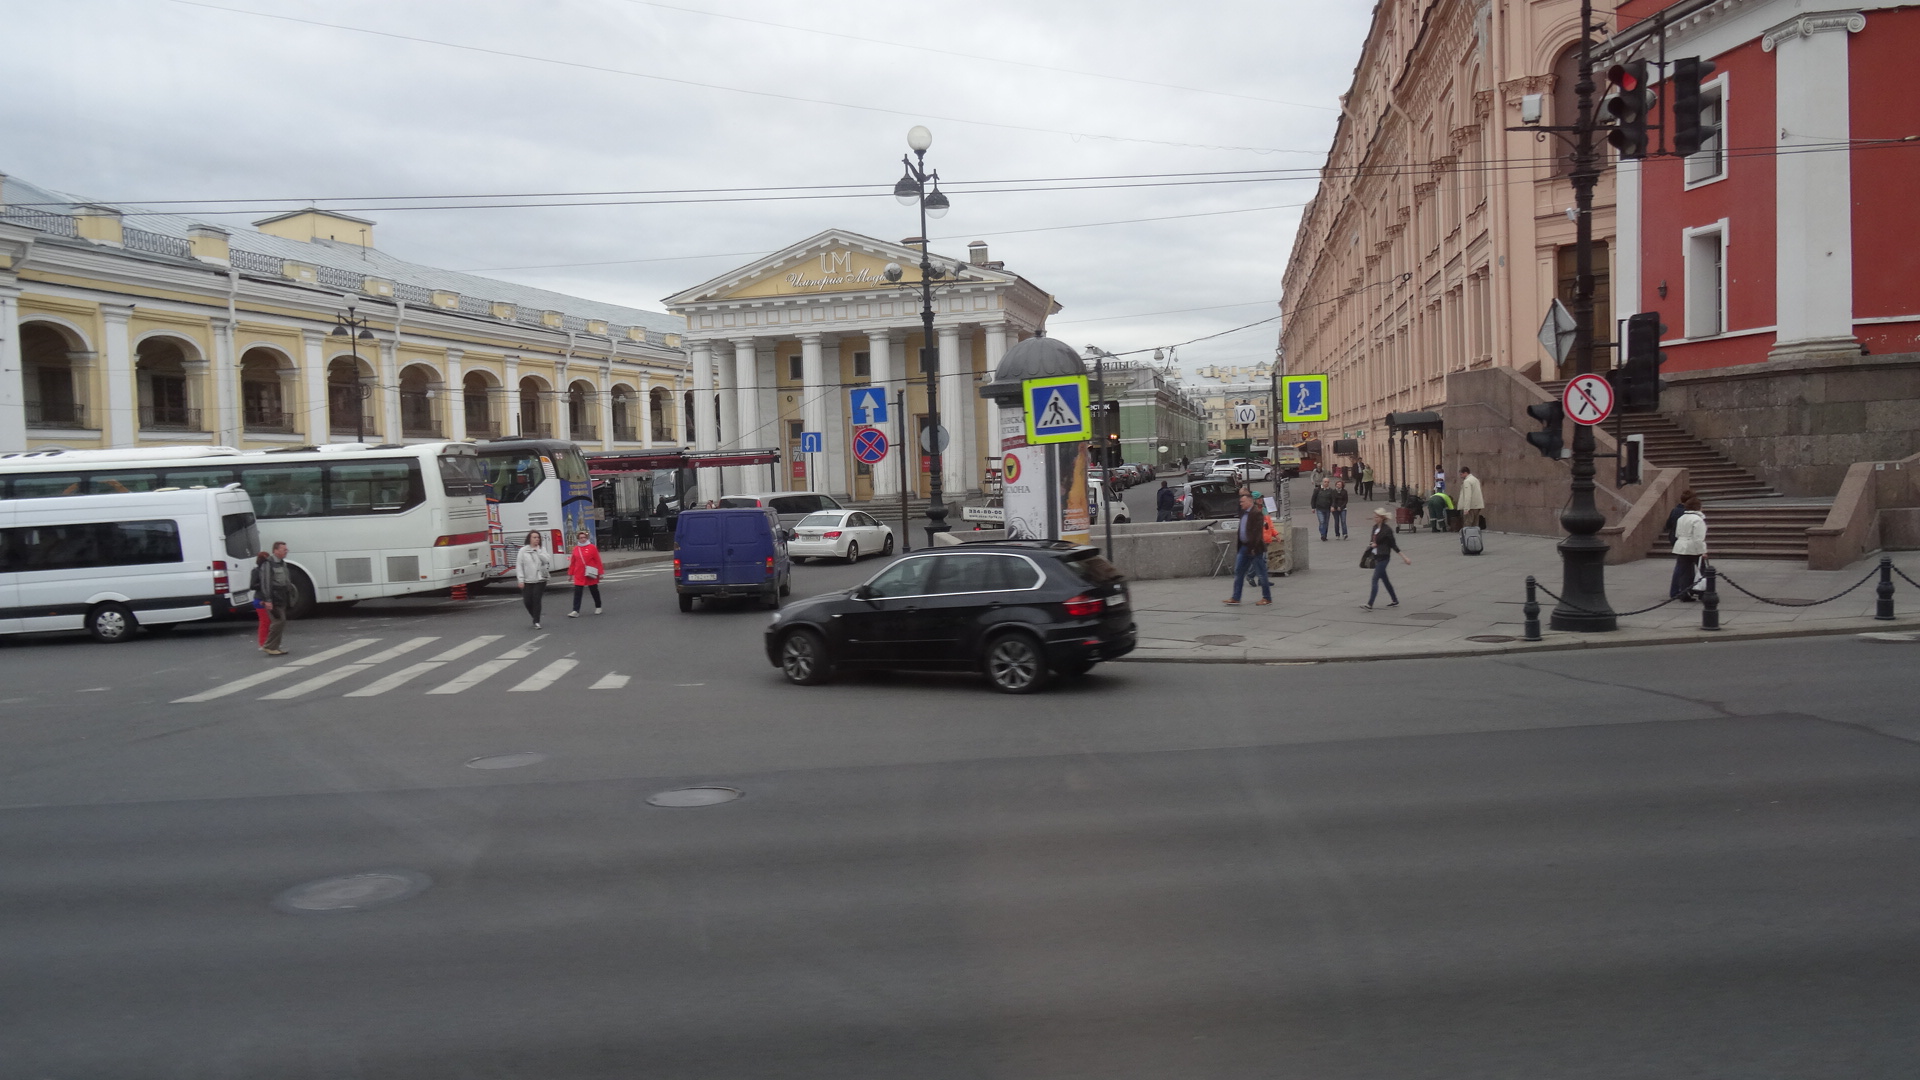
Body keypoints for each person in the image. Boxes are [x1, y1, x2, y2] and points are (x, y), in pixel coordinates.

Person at [1223, 492, 1272, 606]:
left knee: (1261, 573)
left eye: (1243, 502)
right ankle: (1236, 597)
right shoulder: (1243, 513)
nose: (1241, 504)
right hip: (1244, 547)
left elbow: (1257, 533)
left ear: (1250, 502)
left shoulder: (1256, 513)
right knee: (1239, 571)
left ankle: (1267, 598)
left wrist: (1253, 547)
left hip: (1254, 548)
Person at [250, 541, 294, 656]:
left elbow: (286, 580)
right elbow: (266, 583)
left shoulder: (282, 563)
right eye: (284, 549)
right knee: (278, 621)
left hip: (282, 597)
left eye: (286, 549)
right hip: (274, 598)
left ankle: (274, 646)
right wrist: (268, 600)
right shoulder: (268, 564)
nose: (286, 551)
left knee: (280, 621)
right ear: (276, 550)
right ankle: (269, 646)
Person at [1364, 507, 1411, 610]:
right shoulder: (1374, 528)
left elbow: (1393, 545)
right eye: (1374, 517)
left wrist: (1404, 557)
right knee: (1385, 580)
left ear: (1382, 518)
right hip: (1376, 556)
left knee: (1375, 579)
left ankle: (1370, 604)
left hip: (1384, 557)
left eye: (1377, 517)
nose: (1375, 518)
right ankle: (1395, 599)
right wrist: (1372, 544)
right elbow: (1372, 540)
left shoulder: (1387, 530)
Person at [1670, 495, 1708, 602]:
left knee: (1685, 572)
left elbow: (1677, 534)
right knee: (1703, 571)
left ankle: (1684, 594)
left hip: (1681, 547)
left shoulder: (1681, 518)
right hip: (1693, 548)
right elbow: (1698, 538)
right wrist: (1703, 551)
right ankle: (1702, 593)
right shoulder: (1698, 520)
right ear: (1698, 507)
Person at [516, 530, 552, 629]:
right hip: (528, 580)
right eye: (534, 537)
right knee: (527, 601)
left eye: (538, 537)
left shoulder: (542, 549)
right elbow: (519, 566)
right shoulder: (523, 550)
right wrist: (520, 580)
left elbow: (547, 560)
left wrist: (538, 552)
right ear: (529, 539)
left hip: (540, 579)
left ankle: (536, 621)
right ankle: (534, 616)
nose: (537, 539)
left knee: (536, 599)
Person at [567, 528, 605, 617]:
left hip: (590, 573)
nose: (583, 539)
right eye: (581, 538)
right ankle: (575, 610)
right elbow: (573, 562)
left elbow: (598, 560)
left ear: (587, 538)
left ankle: (598, 606)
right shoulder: (576, 549)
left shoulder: (592, 547)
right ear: (578, 539)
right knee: (577, 592)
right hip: (579, 574)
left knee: (594, 590)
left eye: (584, 537)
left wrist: (600, 572)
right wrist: (570, 574)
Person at [249, 551, 272, 650]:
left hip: (262, 598)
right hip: (260, 599)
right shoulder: (257, 571)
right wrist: (264, 584)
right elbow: (252, 585)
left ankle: (267, 642)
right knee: (265, 621)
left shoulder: (263, 571)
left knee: (268, 622)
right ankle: (263, 643)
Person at [1456, 465, 1485, 529]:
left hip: (1470, 506)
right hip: (1477, 505)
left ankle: (1467, 535)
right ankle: (1475, 535)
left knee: (1468, 524)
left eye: (1461, 474)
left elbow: (1467, 495)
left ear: (1465, 473)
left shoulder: (1467, 481)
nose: (1460, 476)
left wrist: (1466, 508)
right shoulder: (1475, 479)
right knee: (1475, 524)